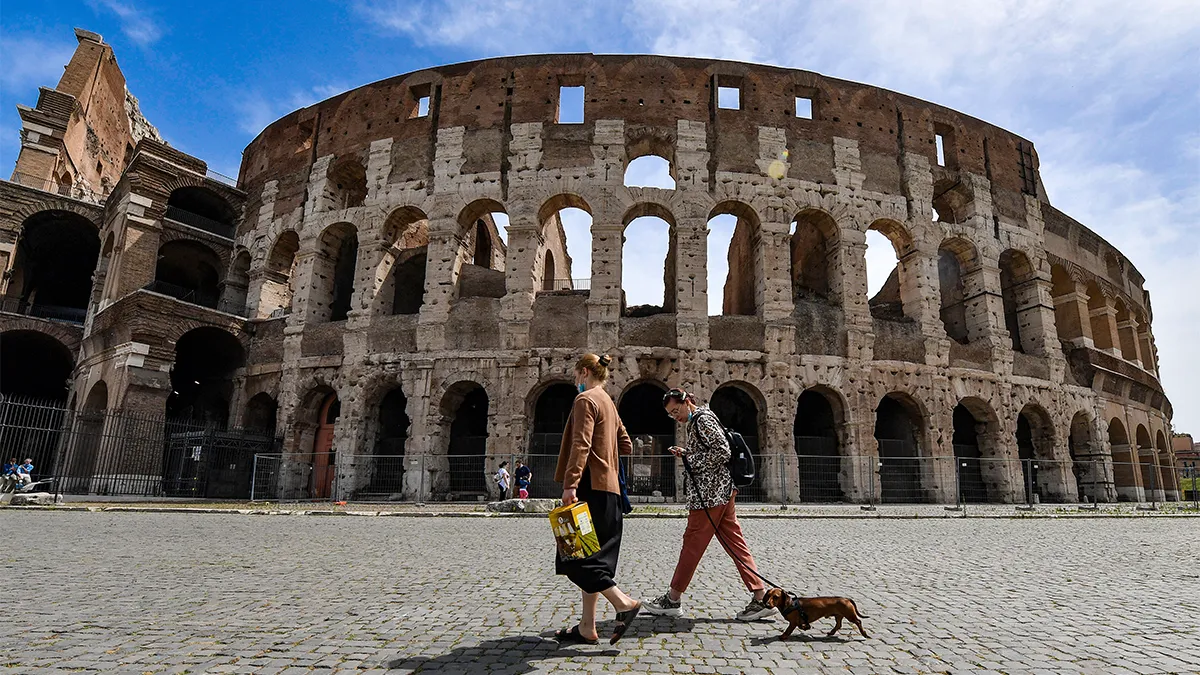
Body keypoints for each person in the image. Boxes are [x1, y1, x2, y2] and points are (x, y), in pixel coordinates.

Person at [642, 388, 774, 621]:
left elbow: (722, 452)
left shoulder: (702, 419)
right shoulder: (700, 420)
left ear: (686, 402)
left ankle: (672, 600)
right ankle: (761, 597)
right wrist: (687, 452)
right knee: (736, 544)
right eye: (671, 415)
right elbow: (712, 451)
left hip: (711, 495)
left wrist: (690, 458)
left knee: (692, 544)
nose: (675, 417)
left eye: (676, 411)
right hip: (721, 492)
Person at [552, 353, 642, 645]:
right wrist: (608, 450)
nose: (575, 380)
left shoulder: (585, 400)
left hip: (590, 488)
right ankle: (586, 627)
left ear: (585, 371)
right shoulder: (610, 404)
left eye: (576, 374)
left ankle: (623, 603)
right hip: (611, 492)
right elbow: (626, 445)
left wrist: (570, 485)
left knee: (574, 556)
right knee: (593, 557)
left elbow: (581, 444)